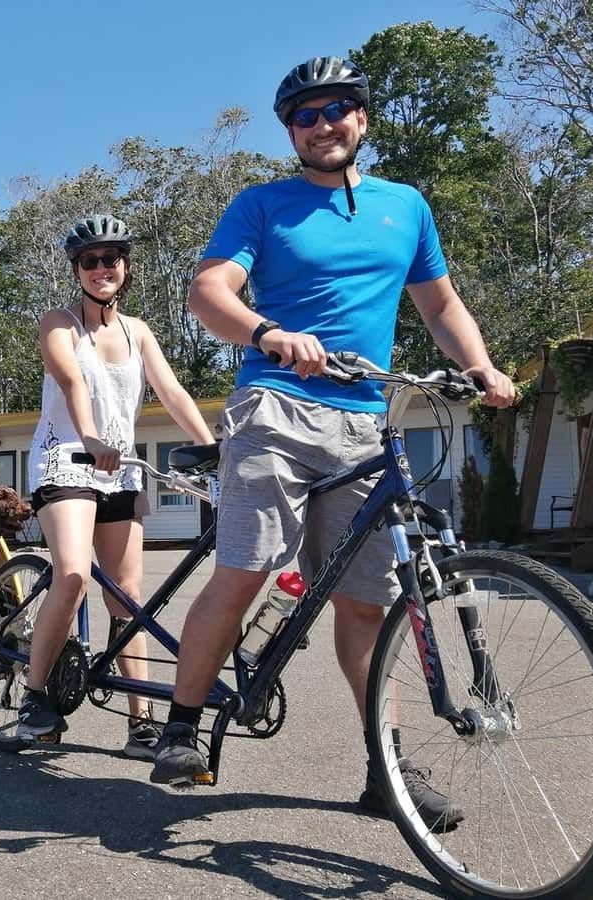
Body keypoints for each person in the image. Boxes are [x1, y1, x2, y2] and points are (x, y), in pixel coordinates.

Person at [149, 56, 515, 828]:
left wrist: (477, 364)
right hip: (277, 404)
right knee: (246, 569)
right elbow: (209, 291)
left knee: (367, 606)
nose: (321, 126)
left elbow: (440, 303)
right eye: (304, 117)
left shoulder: (405, 207)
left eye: (335, 110)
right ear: (291, 132)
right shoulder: (263, 205)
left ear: (362, 118)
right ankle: (180, 728)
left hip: (362, 419)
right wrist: (271, 333)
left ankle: (386, 768)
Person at [20, 214, 215, 758]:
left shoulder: (139, 331)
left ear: (125, 267)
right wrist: (88, 435)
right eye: (90, 261)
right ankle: (35, 699)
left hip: (121, 468)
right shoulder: (60, 322)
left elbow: (171, 391)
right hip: (67, 459)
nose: (102, 269)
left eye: (111, 259)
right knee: (75, 574)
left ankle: (142, 722)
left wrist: (210, 446)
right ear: (77, 270)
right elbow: (71, 379)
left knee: (128, 598)